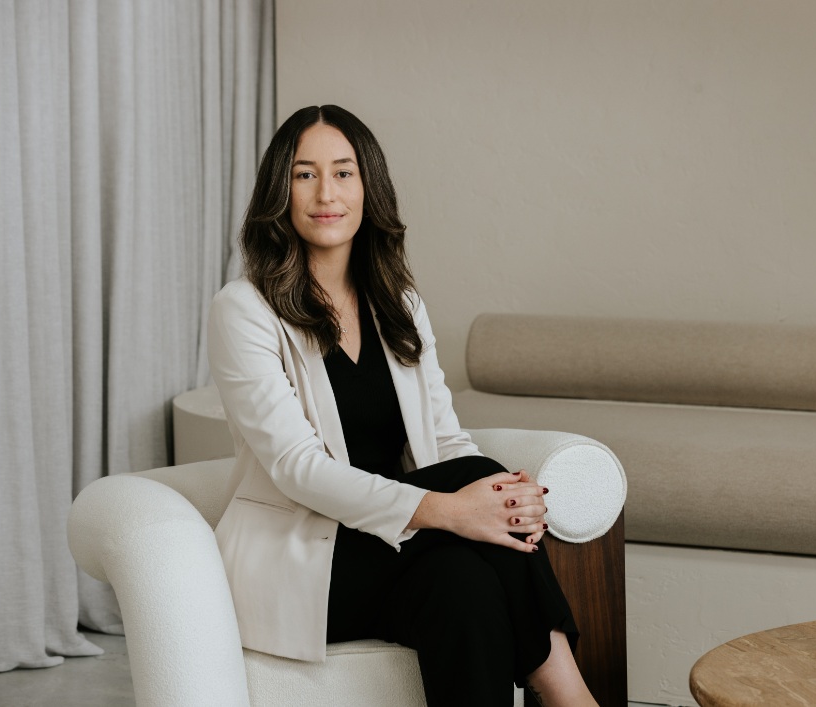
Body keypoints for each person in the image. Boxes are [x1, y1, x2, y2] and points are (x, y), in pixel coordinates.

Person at [208, 105, 599, 707]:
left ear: (369, 189)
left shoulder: (398, 303)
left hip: (394, 544)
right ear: (278, 192)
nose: (325, 193)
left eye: (343, 172)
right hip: (313, 559)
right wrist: (451, 510)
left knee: (463, 584)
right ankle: (570, 695)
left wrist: (494, 502)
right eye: (304, 175)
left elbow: (445, 443)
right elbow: (297, 469)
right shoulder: (245, 309)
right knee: (476, 489)